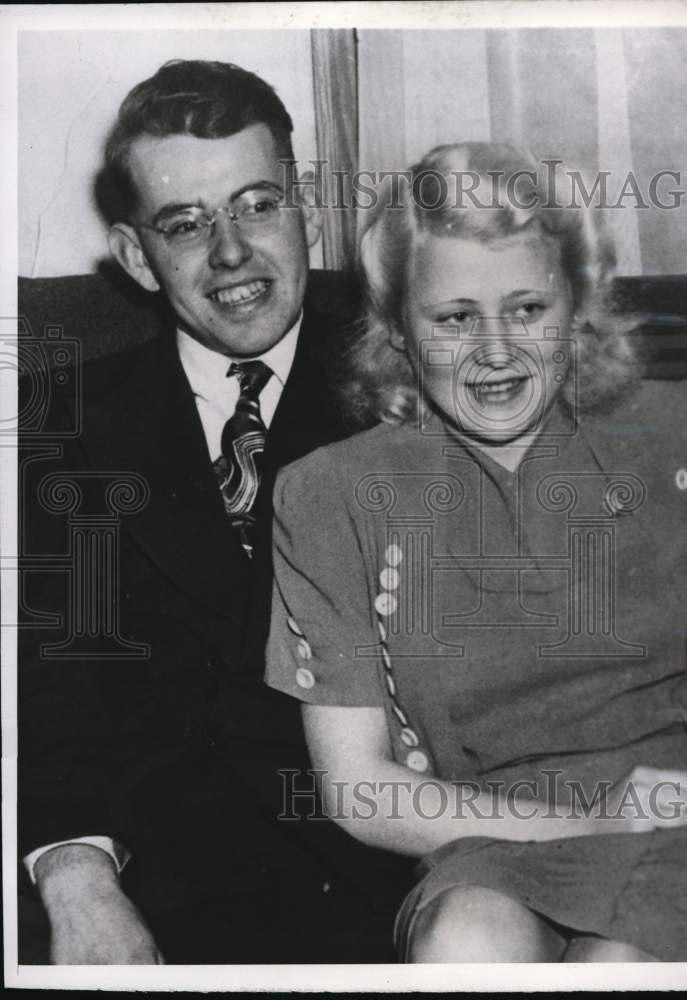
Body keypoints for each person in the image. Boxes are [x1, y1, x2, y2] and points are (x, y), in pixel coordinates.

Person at [18, 59, 409, 965]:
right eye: (186, 225)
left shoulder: (414, 361)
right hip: (158, 880)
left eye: (257, 205)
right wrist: (74, 874)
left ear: (305, 203)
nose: (231, 252)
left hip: (384, 871)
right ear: (134, 258)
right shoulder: (61, 429)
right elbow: (49, 681)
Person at [265, 142, 687, 963]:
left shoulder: (681, 436)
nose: (495, 349)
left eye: (527, 308)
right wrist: (589, 819)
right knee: (465, 942)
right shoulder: (329, 495)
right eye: (453, 318)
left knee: (622, 964)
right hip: (486, 835)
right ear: (396, 329)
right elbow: (358, 790)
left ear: (575, 306)